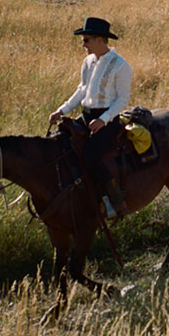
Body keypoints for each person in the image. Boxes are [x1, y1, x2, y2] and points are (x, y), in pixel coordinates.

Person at [48, 16, 133, 218]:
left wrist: (104, 120)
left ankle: (115, 203)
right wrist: (62, 110)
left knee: (91, 157)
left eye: (86, 39)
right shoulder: (88, 62)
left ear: (100, 40)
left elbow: (123, 99)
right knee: (60, 145)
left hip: (108, 120)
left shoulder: (121, 66)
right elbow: (82, 90)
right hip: (86, 116)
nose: (83, 44)